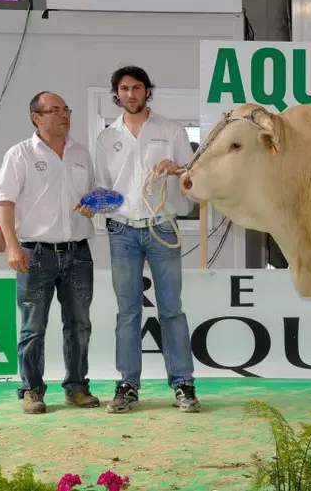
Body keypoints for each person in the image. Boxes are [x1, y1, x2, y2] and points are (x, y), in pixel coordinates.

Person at [80, 65, 200, 414]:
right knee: (127, 312)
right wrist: (91, 204)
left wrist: (176, 169)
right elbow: (103, 188)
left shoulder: (171, 130)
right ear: (116, 94)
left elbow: (193, 174)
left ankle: (183, 384)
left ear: (148, 91)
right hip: (122, 231)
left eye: (137, 87)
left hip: (162, 227)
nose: (131, 94)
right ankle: (128, 385)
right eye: (124, 88)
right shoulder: (105, 138)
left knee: (171, 310)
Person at [0, 91, 100, 414]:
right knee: (33, 326)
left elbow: (92, 196)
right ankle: (32, 390)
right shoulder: (20, 154)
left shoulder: (81, 153)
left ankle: (77, 388)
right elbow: (4, 203)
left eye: (66, 109)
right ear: (36, 117)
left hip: (79, 253)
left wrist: (93, 205)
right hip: (35, 253)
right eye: (54, 110)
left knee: (79, 324)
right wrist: (12, 245)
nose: (63, 115)